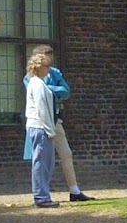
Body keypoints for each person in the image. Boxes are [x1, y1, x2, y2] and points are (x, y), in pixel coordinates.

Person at [39, 44, 94, 202]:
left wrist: (48, 88)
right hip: (40, 121)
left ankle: (74, 190)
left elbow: (66, 91)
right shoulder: (30, 76)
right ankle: (41, 193)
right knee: (41, 157)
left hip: (55, 120)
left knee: (66, 153)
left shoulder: (55, 73)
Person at [24, 46, 58, 208]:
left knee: (46, 162)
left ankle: (42, 194)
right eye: (46, 66)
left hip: (40, 127)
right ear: (38, 67)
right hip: (40, 127)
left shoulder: (38, 83)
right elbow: (42, 108)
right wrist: (50, 130)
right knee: (41, 162)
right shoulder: (37, 83)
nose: (49, 69)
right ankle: (41, 196)